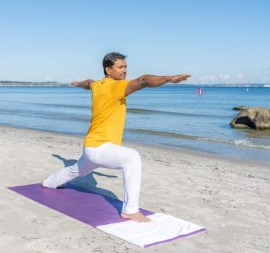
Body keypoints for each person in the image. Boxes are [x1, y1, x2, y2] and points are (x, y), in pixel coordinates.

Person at [42, 52, 190, 222]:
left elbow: (88, 83)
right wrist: (169, 79)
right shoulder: (116, 87)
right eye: (120, 67)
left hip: (92, 146)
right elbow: (143, 80)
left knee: (77, 170)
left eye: (125, 67)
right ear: (108, 70)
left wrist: (78, 84)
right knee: (132, 158)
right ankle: (130, 210)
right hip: (99, 147)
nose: (124, 71)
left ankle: (49, 183)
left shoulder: (98, 85)